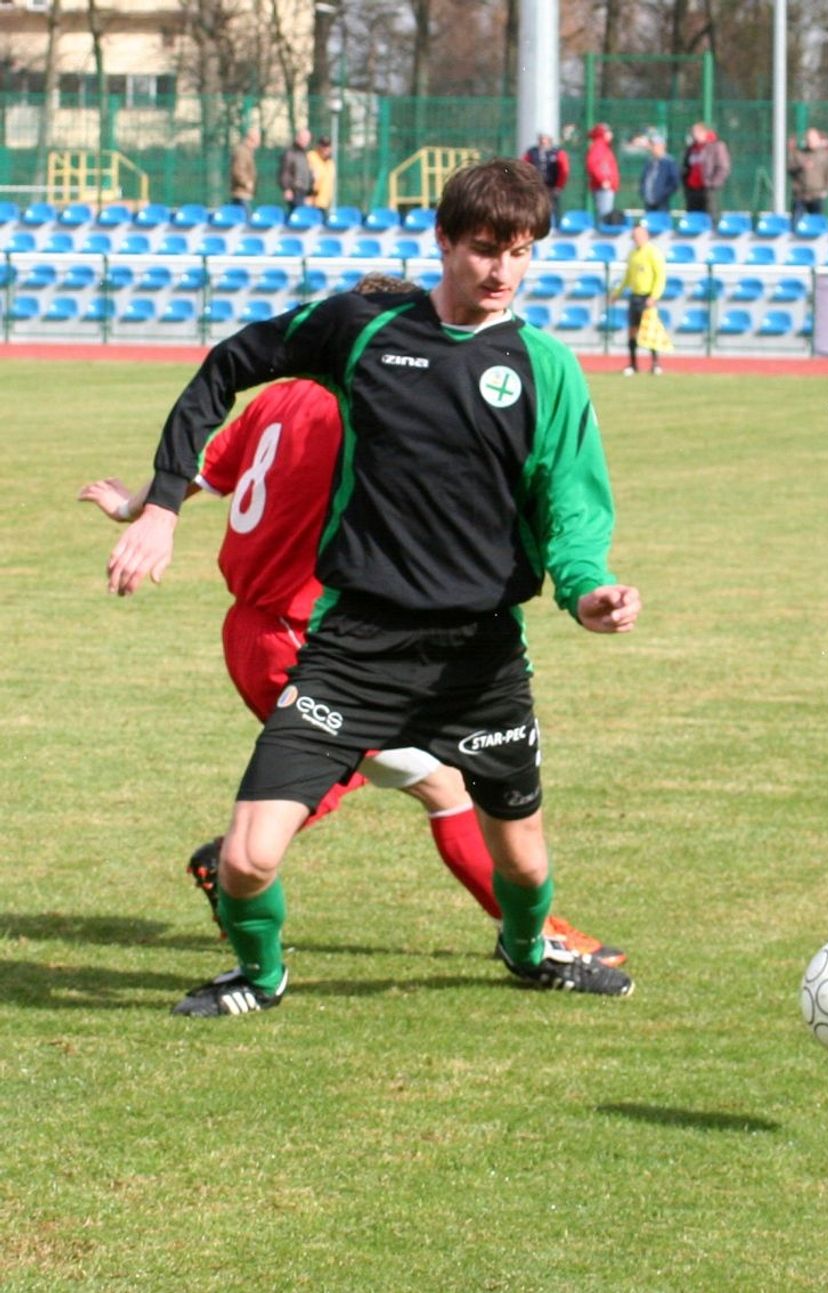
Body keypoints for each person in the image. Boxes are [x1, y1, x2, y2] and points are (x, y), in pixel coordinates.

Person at [104, 159, 641, 1017]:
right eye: (483, 249)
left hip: (479, 656)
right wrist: (162, 503)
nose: (502, 271)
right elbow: (228, 364)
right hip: (352, 647)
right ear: (442, 240)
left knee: (527, 866)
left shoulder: (546, 369)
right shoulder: (361, 326)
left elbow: (572, 507)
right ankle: (259, 974)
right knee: (245, 856)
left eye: (521, 252)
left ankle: (528, 945)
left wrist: (588, 590)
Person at [611, 220, 667, 377]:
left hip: (647, 297)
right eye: (634, 235)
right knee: (632, 331)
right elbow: (627, 277)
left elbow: (660, 277)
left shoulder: (653, 253)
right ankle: (633, 364)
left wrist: (654, 296)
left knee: (650, 331)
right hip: (634, 296)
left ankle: (655, 364)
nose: (636, 238)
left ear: (646, 235)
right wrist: (617, 292)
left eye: (639, 235)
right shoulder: (632, 254)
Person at [682, 123, 731, 222]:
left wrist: (712, 184)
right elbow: (686, 167)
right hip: (692, 190)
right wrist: (686, 184)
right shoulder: (691, 149)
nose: (695, 135)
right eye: (693, 132)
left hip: (708, 190)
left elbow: (723, 167)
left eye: (697, 132)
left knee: (710, 217)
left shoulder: (716, 146)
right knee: (693, 218)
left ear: (705, 132)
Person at [521, 132, 570, 226]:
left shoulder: (558, 153)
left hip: (552, 187)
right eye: (541, 139)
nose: (543, 141)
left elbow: (564, 170)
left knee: (553, 208)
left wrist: (559, 186)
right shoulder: (532, 152)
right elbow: (524, 166)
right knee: (535, 208)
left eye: (545, 139)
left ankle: (556, 227)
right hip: (536, 187)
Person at [788, 127, 828, 225]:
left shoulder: (825, 156)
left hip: (816, 195)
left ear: (818, 140)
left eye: (812, 139)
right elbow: (790, 169)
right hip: (800, 195)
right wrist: (801, 166)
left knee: (816, 223)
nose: (810, 142)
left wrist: (826, 190)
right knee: (796, 223)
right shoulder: (799, 154)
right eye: (808, 139)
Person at [585, 123, 621, 226]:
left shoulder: (603, 147)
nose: (611, 134)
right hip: (603, 187)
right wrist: (603, 180)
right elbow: (592, 165)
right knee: (605, 215)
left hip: (607, 186)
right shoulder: (598, 146)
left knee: (606, 214)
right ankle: (603, 238)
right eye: (608, 132)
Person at [638, 134, 680, 215]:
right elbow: (643, 179)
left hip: (662, 203)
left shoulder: (669, 162)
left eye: (654, 145)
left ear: (662, 146)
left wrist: (662, 194)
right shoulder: (649, 162)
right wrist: (643, 192)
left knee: (661, 223)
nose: (652, 148)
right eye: (651, 145)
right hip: (648, 201)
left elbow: (674, 182)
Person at [278, 128, 313, 215]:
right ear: (297, 138)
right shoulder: (291, 153)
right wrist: (287, 189)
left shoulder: (304, 154)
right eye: (303, 138)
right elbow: (285, 172)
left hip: (303, 192)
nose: (305, 141)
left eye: (307, 139)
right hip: (295, 192)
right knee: (297, 216)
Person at [229, 126, 260, 215]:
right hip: (241, 193)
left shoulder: (248, 152)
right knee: (247, 221)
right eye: (258, 139)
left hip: (245, 194)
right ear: (252, 139)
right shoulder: (242, 152)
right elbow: (238, 170)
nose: (259, 142)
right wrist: (246, 183)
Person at [307, 135, 336, 218]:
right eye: (323, 146)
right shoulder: (311, 157)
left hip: (324, 202)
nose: (325, 148)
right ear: (318, 146)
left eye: (328, 146)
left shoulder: (330, 163)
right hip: (312, 201)